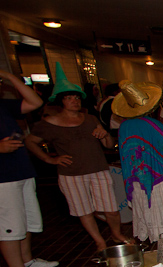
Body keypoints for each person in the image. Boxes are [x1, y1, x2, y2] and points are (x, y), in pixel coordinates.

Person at [25, 62, 131, 251]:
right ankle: (99, 241)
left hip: (98, 168)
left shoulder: (90, 118)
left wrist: (104, 134)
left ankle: (116, 234)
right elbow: (30, 141)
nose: (75, 101)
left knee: (111, 208)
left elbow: (108, 145)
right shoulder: (49, 123)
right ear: (61, 101)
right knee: (84, 210)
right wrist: (50, 159)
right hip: (71, 173)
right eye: (69, 98)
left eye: (76, 97)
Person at [112, 80, 163, 245]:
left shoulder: (124, 127)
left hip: (138, 176)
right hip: (159, 175)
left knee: (149, 207)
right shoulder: (152, 124)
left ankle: (154, 235)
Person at [0, 69, 59, 267]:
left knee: (25, 220)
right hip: (3, 178)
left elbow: (35, 102)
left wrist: (10, 77)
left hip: (21, 171)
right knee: (9, 227)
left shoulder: (3, 106)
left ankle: (27, 262)